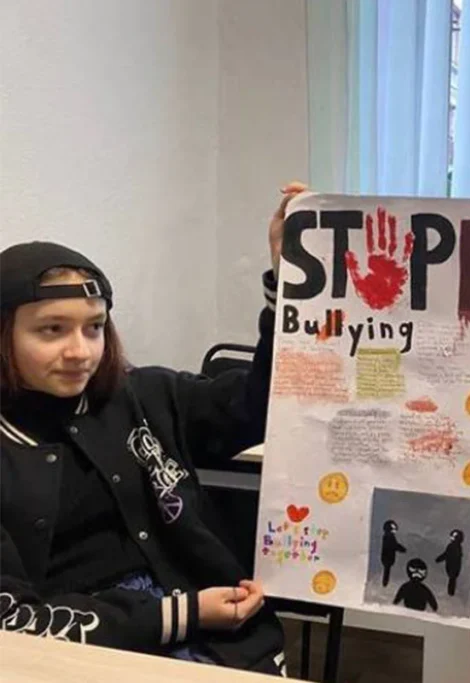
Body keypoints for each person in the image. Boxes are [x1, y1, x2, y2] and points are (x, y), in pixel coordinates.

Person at [0, 182, 309, 675]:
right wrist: (181, 615)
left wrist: (291, 285)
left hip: (220, 638)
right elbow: (12, 622)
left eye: (94, 327)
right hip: (78, 657)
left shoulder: (143, 395)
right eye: (51, 330)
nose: (80, 351)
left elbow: (260, 406)